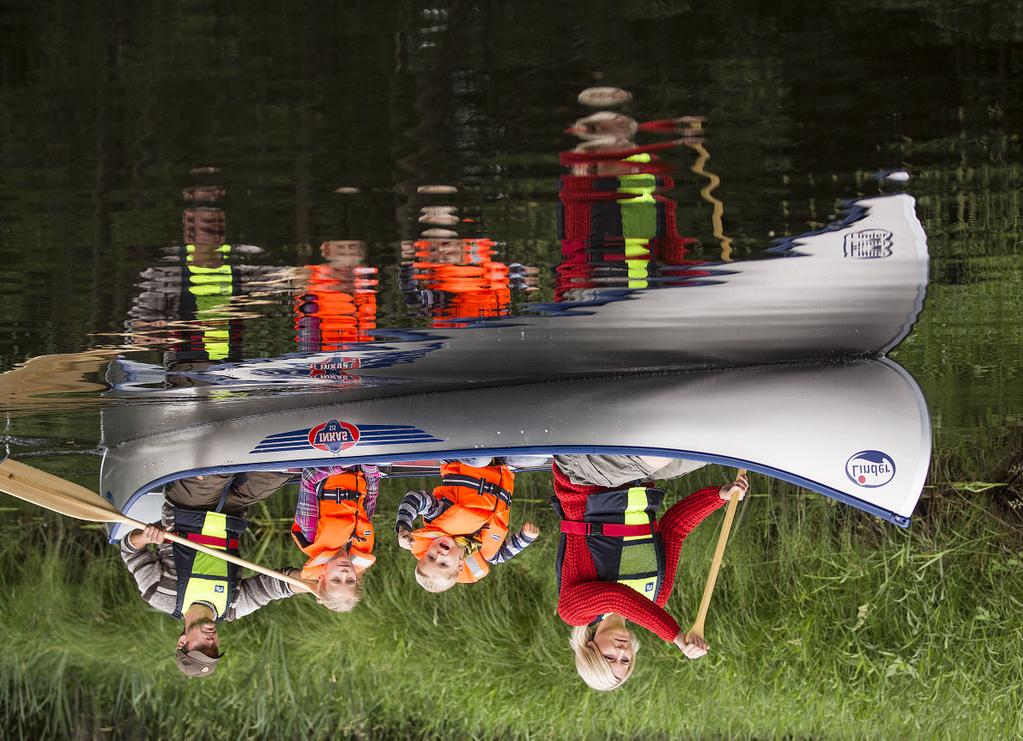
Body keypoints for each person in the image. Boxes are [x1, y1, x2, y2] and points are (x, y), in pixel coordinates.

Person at [552, 454, 748, 691]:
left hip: (585, 478)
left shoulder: (574, 612)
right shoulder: (656, 597)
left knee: (657, 457)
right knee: (711, 451)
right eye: (625, 660)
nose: (621, 651)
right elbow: (675, 529)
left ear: (591, 648)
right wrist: (719, 496)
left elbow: (616, 597)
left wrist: (675, 636)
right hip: (639, 478)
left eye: (610, 657)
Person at [120, 471, 297, 678]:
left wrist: (145, 537)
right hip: (234, 510)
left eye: (202, 648)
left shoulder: (160, 596)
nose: (211, 643)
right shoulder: (233, 607)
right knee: (281, 471)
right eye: (214, 650)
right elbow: (278, 586)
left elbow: (129, 551)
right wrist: (315, 584)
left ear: (182, 641)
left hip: (186, 507)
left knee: (218, 470)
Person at [394, 461, 539, 592]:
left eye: (430, 557)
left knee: (481, 459)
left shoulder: (438, 516)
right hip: (503, 467)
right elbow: (502, 555)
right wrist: (525, 538)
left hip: (463, 459)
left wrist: (403, 526)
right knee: (533, 459)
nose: (438, 556)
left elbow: (415, 499)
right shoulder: (484, 553)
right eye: (443, 564)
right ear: (460, 566)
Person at [291, 465, 377, 612]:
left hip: (328, 460)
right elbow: (370, 496)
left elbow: (308, 478)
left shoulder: (310, 535)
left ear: (322, 576)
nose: (344, 574)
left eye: (336, 580)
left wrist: (340, 466)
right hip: (361, 464)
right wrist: (370, 468)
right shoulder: (362, 545)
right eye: (350, 581)